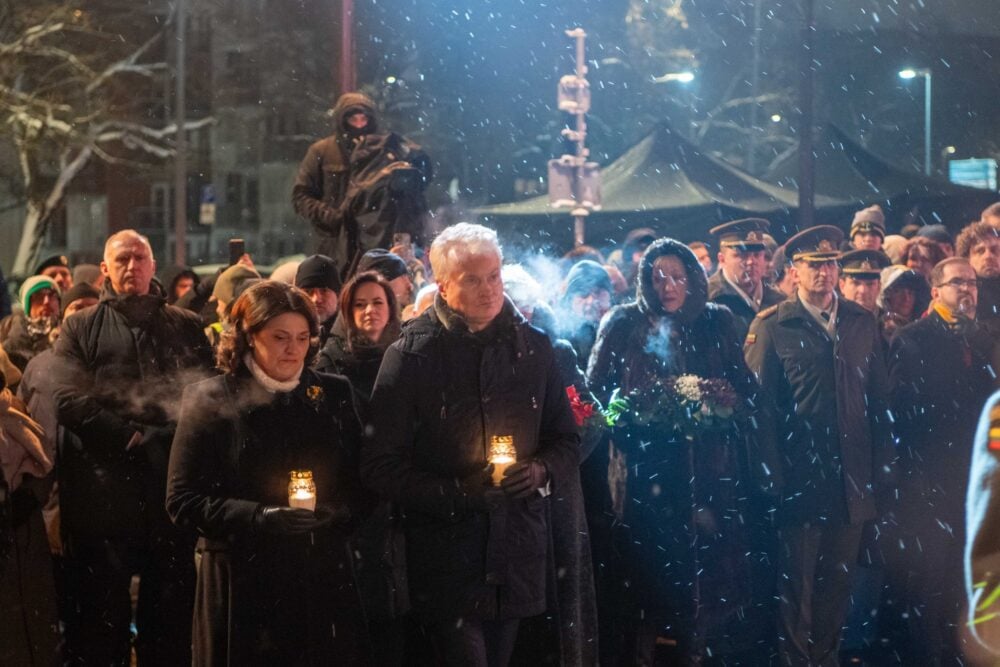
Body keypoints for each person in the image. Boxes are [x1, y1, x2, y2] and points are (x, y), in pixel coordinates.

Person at [362, 223, 595, 666]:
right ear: (444, 287)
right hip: (446, 554)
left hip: (517, 548)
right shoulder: (412, 354)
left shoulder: (534, 347)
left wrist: (540, 470)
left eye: (494, 276)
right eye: (472, 279)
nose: (488, 290)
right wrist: (458, 494)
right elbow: (379, 464)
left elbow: (565, 437)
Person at [587, 237, 773, 664]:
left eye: (676, 276)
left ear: (692, 278)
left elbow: (748, 393)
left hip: (709, 482)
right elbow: (595, 398)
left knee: (703, 596)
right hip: (644, 479)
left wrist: (721, 403)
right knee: (644, 587)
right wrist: (633, 415)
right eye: (657, 278)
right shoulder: (623, 323)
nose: (667, 286)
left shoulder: (717, 322)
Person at [166, 281, 372, 665]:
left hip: (318, 577)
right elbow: (182, 500)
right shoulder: (212, 398)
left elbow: (361, 483)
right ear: (248, 336)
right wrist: (259, 516)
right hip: (242, 581)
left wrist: (337, 512)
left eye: (303, 337)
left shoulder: (333, 394)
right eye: (279, 337)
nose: (293, 349)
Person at [52, 230, 212, 665]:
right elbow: (66, 397)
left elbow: (206, 392)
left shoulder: (184, 324)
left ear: (153, 267)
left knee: (170, 617)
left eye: (140, 258)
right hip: (104, 499)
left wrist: (169, 437)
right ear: (105, 269)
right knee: (103, 620)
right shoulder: (81, 326)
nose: (131, 267)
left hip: (167, 493)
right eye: (121, 259)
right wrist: (128, 435)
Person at [744, 225, 893, 667]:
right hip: (799, 482)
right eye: (814, 265)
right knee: (796, 595)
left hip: (850, 481)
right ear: (794, 271)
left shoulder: (859, 322)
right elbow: (760, 412)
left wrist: (881, 471)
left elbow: (878, 403)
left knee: (836, 591)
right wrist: (770, 477)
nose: (824, 273)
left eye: (830, 264)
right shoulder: (773, 325)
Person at [887, 257, 996, 663]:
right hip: (928, 479)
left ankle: (959, 653)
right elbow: (900, 409)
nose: (966, 290)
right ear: (936, 292)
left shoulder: (985, 337)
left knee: (963, 578)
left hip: (973, 480)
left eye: (971, 284)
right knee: (928, 580)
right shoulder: (912, 337)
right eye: (956, 283)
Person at [292, 92, 432, 282]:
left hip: (371, 238)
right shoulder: (323, 152)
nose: (359, 125)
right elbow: (301, 195)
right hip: (332, 241)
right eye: (353, 118)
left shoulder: (385, 153)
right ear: (342, 120)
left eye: (364, 118)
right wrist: (330, 216)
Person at [315, 270, 400, 399]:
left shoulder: (405, 353)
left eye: (378, 302)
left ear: (390, 307)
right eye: (360, 304)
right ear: (349, 312)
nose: (370, 310)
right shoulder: (331, 361)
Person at [707, 218, 786, 339]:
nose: (751, 261)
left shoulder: (779, 301)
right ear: (722, 259)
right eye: (742, 255)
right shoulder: (708, 301)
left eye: (757, 255)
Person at [0, 275, 61, 372]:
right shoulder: (6, 330)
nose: (46, 301)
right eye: (38, 296)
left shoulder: (67, 334)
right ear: (27, 305)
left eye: (52, 295)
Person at [558, 259, 613, 366]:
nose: (591, 301)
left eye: (598, 292)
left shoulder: (623, 331)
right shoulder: (560, 336)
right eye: (583, 294)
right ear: (570, 300)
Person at [956, 220, 1000, 337]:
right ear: (967, 258)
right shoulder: (957, 293)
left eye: (994, 250)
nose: (988, 256)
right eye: (980, 251)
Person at [294, 254, 342, 346]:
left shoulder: (350, 339)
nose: (316, 299)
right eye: (308, 292)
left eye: (324, 290)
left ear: (338, 295)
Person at [878, 265, 931, 340]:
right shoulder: (875, 329)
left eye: (910, 293)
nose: (906, 298)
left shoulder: (925, 329)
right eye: (898, 292)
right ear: (886, 295)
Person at [838, 249, 891, 313]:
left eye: (870, 284)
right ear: (842, 286)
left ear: (879, 287)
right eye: (856, 283)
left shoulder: (887, 322)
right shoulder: (832, 320)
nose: (863, 290)